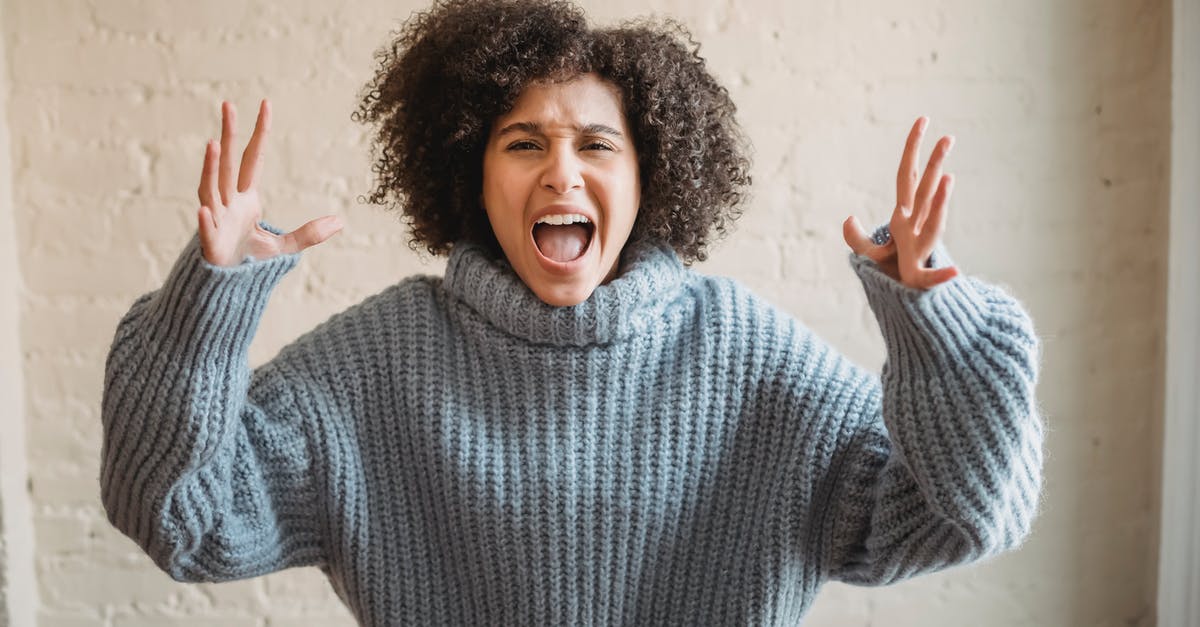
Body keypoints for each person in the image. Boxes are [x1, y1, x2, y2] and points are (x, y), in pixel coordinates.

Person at [99, 0, 1044, 624]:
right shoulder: (378, 362)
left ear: (650, 180)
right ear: (472, 172)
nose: (561, 170)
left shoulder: (748, 358)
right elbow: (181, 519)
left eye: (598, 143)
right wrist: (203, 310)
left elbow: (970, 516)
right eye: (523, 142)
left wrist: (940, 322)